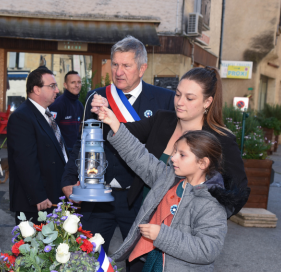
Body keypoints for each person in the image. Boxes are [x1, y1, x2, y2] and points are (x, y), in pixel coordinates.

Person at [92, 100, 230, 272]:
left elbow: (207, 249)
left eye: (181, 155)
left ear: (202, 163)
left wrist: (161, 235)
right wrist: (114, 123)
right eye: (175, 151)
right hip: (156, 270)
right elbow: (140, 158)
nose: (172, 158)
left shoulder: (211, 202)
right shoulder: (170, 178)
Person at [79, 67, 249, 228]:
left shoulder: (221, 139)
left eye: (189, 98)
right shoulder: (162, 119)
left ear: (207, 102)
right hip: (144, 218)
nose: (180, 102)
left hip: (181, 232)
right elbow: (125, 135)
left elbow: (239, 191)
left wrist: (207, 221)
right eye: (177, 95)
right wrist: (106, 113)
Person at [62, 36, 175, 249]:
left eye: (126, 65)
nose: (118, 71)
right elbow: (82, 143)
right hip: (98, 196)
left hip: (139, 199)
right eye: (115, 64)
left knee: (138, 266)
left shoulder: (164, 100)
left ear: (142, 68)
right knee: (89, 261)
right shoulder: (96, 96)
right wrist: (68, 179)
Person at [7, 66, 68, 225]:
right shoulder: (22, 117)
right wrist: (38, 195)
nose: (57, 90)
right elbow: (25, 161)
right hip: (37, 203)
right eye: (52, 86)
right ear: (36, 89)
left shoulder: (45, 113)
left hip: (52, 197)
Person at [49, 70, 84, 151]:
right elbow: (50, 132)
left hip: (75, 152)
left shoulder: (80, 105)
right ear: (65, 85)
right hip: (61, 153)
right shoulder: (58, 105)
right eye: (73, 82)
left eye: (79, 82)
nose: (77, 85)